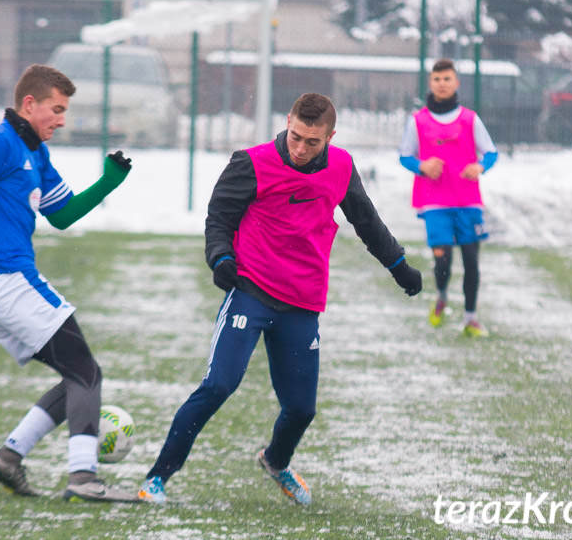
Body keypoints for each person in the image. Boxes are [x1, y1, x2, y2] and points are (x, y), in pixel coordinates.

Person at [136, 93, 423, 506]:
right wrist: (220, 257)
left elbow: (366, 220)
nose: (301, 148)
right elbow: (219, 217)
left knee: (302, 409)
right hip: (251, 292)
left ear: (330, 136)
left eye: (312, 142)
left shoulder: (341, 166)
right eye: (295, 137)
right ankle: (157, 478)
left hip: (303, 301)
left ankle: (276, 461)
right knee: (219, 385)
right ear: (287, 121)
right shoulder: (250, 163)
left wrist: (398, 265)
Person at [0, 64, 136, 502]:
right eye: (56, 109)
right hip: (7, 280)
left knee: (76, 376)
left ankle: (8, 458)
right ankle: (83, 477)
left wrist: (106, 184)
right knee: (86, 373)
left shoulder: (34, 152)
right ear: (29, 104)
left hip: (1, 285)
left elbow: (62, 215)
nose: (61, 119)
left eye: (65, 111)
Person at [398, 58, 498, 338]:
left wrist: (480, 167)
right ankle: (441, 296)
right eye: (437, 79)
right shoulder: (417, 121)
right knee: (443, 259)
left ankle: (470, 318)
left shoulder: (470, 119)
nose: (442, 84)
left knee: (471, 261)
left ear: (456, 83)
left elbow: (490, 153)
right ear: (430, 83)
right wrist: (422, 166)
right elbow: (405, 156)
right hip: (435, 203)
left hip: (468, 202)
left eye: (447, 79)